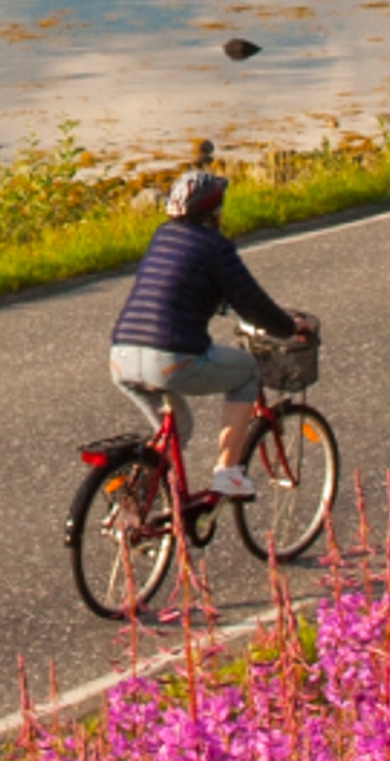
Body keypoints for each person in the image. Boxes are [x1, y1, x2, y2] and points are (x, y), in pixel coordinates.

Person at [108, 140, 313, 496]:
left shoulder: (162, 237)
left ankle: (137, 502)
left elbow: (178, 286)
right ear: (213, 212)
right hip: (169, 359)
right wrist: (288, 327)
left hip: (122, 357)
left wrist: (216, 302)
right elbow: (252, 302)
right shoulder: (215, 247)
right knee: (247, 370)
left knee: (177, 431)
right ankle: (228, 472)